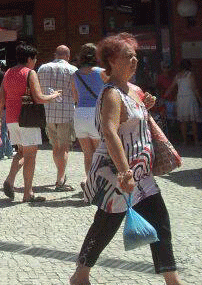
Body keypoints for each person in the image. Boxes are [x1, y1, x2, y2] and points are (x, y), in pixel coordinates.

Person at [72, 33, 182, 285]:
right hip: (117, 170)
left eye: (135, 56)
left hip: (140, 171)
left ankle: (172, 279)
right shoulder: (111, 93)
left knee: (160, 222)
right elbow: (110, 131)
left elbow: (133, 118)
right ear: (111, 60)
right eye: (127, 56)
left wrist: (147, 105)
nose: (134, 60)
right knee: (105, 225)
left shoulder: (133, 90)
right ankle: (80, 275)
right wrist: (124, 172)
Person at [0, 43, 61, 204]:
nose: (35, 62)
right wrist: (54, 96)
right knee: (30, 156)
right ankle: (27, 193)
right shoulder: (30, 73)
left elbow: (0, 100)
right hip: (27, 119)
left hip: (11, 119)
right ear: (29, 58)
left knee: (21, 152)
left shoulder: (8, 73)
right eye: (35, 59)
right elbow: (38, 98)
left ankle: (10, 180)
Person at [37, 45, 78, 191]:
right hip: (66, 113)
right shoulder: (73, 70)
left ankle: (59, 174)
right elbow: (75, 94)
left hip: (48, 112)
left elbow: (39, 90)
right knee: (64, 147)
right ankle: (60, 179)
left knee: (55, 146)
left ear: (55, 54)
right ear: (68, 55)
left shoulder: (42, 68)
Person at [71, 43, 105, 177]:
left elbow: (75, 97)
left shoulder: (75, 75)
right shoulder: (102, 73)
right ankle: (98, 185)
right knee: (99, 153)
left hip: (80, 113)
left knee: (87, 154)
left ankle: (89, 182)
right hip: (96, 113)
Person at [164, 60, 202, 145]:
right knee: (193, 121)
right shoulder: (190, 75)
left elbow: (171, 87)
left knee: (183, 121)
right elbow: (194, 88)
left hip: (180, 99)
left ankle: (184, 141)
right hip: (190, 97)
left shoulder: (178, 76)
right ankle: (196, 141)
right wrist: (200, 100)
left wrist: (164, 96)